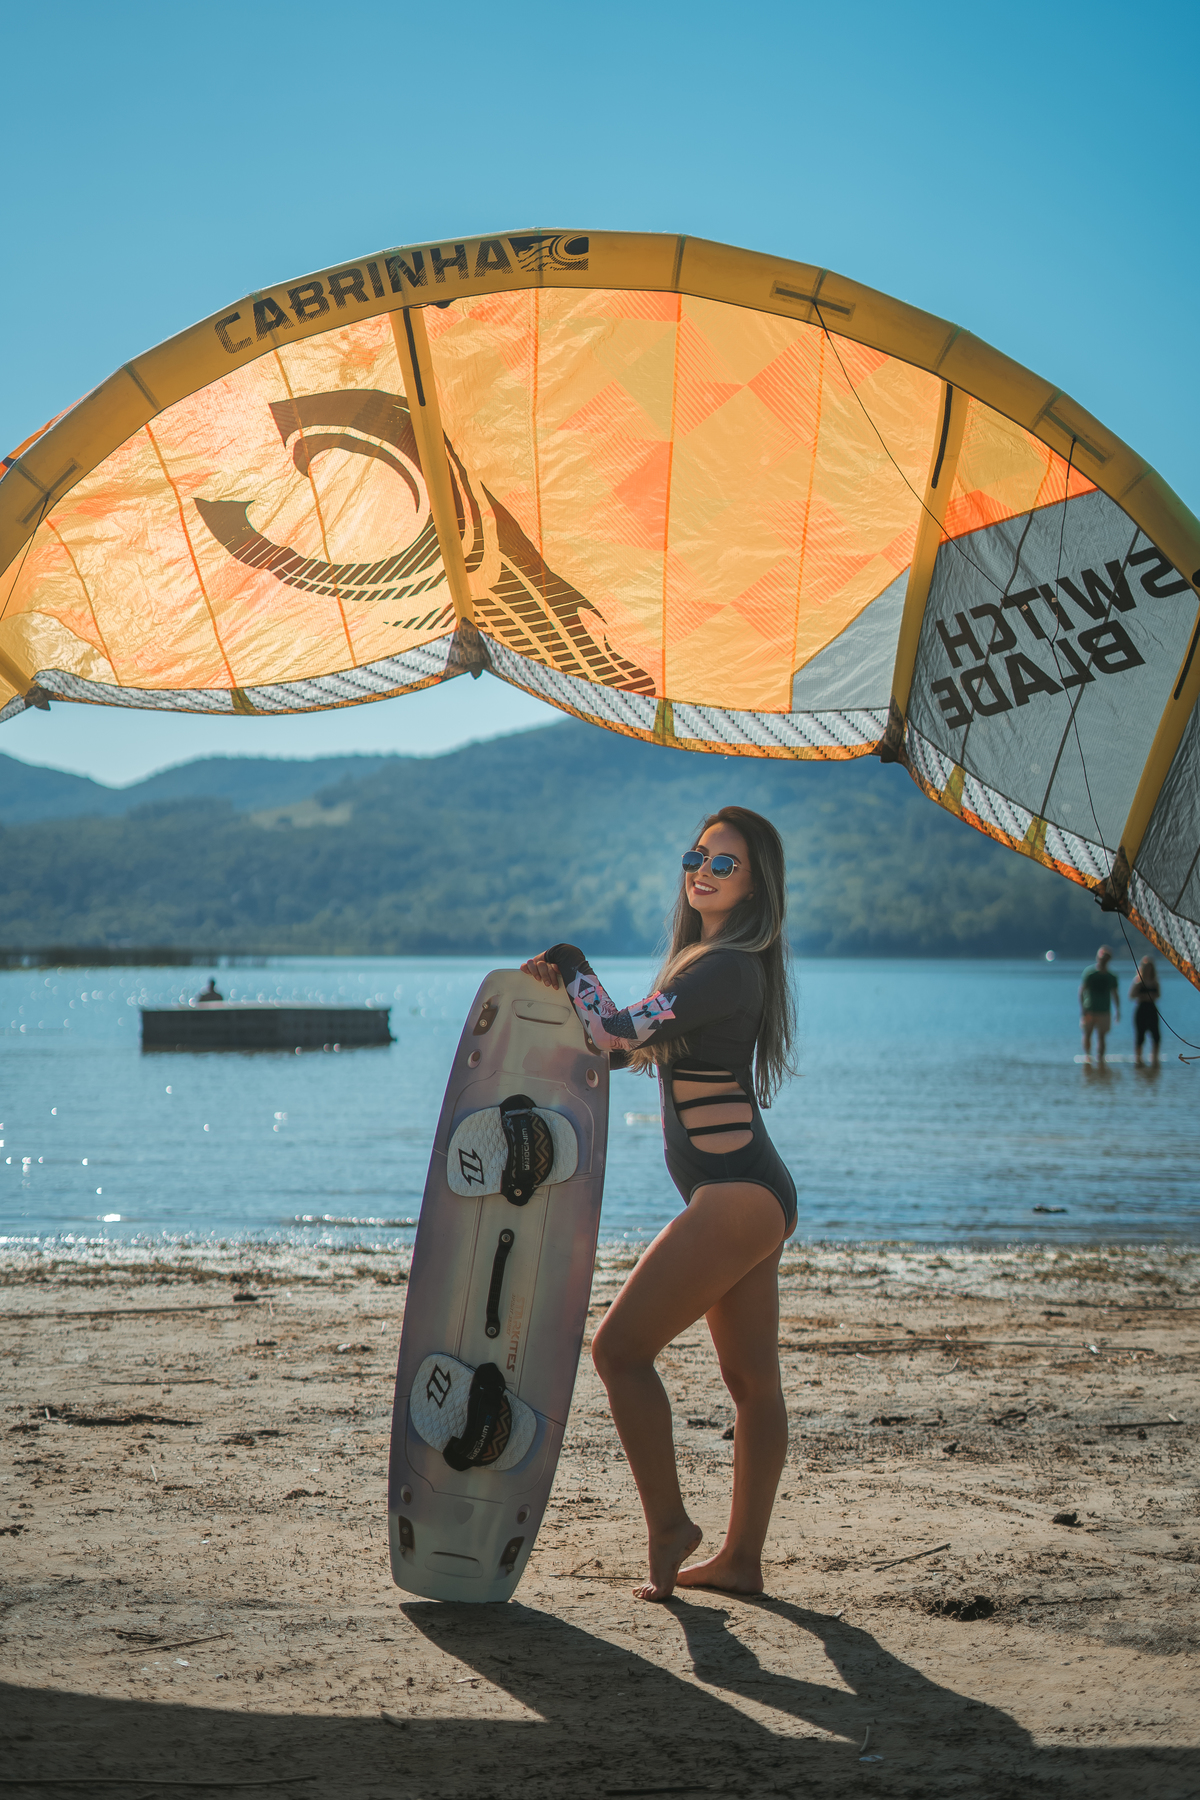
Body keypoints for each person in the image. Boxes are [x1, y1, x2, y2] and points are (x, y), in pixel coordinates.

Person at [521, 806, 797, 1602]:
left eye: (724, 864)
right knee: (752, 1384)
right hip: (753, 1194)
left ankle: (671, 1526)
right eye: (696, 857)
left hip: (739, 1196)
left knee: (617, 1352)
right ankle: (742, 1562)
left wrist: (571, 960)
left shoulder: (724, 968)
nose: (702, 872)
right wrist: (576, 1000)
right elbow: (622, 1044)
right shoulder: (707, 967)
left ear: (755, 887)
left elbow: (611, 1034)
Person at [1079, 947, 1119, 1064]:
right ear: (1098, 958)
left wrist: (1118, 1010)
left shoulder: (1111, 976)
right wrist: (1082, 1009)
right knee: (1087, 1034)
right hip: (1090, 1009)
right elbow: (1082, 991)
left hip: (1104, 1010)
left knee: (1102, 1036)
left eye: (1106, 958)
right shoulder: (1089, 973)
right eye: (1102, 958)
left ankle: (1101, 1058)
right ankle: (1087, 1056)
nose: (1103, 961)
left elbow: (1115, 994)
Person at [1130, 955, 1161, 1068]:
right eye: (1146, 967)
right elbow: (1132, 995)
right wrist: (1144, 996)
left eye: (1150, 967)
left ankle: (1155, 1059)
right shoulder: (1138, 981)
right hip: (1141, 1009)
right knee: (1140, 1035)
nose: (1148, 969)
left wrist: (1152, 996)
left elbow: (1158, 994)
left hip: (1152, 1008)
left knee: (1156, 1035)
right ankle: (1138, 1059)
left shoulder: (1155, 981)